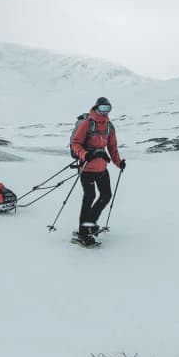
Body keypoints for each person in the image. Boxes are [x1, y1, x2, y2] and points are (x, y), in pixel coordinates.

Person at [70, 96, 125, 245]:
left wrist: (118, 162)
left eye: (108, 109)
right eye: (102, 109)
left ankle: (90, 224)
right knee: (89, 197)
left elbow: (112, 148)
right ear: (96, 108)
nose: (104, 112)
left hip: (102, 168)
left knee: (106, 196)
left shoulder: (109, 126)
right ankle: (83, 232)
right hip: (87, 168)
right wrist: (85, 154)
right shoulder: (87, 124)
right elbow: (76, 143)